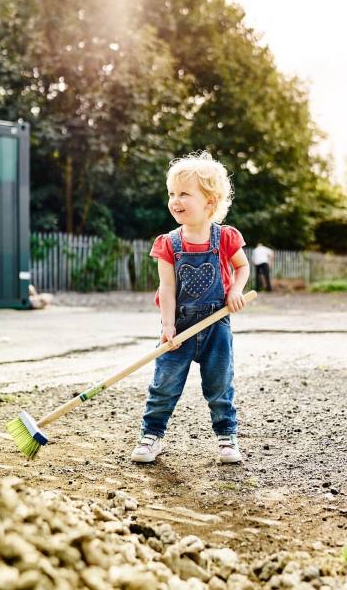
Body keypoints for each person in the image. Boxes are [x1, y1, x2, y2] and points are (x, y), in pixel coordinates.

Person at [131, 152, 250, 464]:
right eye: (172, 193)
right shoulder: (168, 243)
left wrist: (236, 290)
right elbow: (167, 288)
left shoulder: (225, 237)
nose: (175, 200)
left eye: (184, 193)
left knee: (220, 383)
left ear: (210, 202)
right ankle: (151, 435)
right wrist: (168, 325)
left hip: (216, 326)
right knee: (164, 384)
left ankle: (227, 437)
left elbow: (243, 268)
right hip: (179, 327)